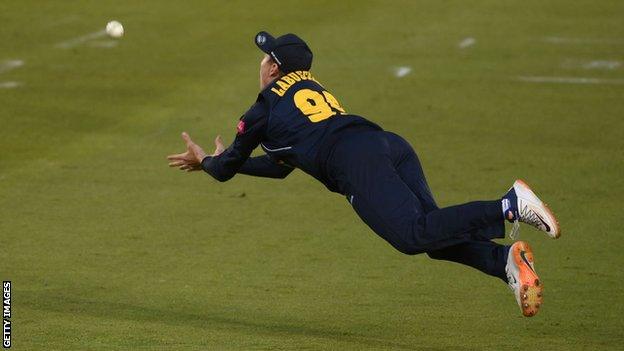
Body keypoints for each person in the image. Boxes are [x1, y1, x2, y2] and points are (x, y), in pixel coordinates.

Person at [167, 31, 561, 317]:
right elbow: (281, 166)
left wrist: (206, 161)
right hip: (387, 144)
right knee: (434, 234)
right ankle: (503, 261)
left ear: (273, 66)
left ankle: (509, 204)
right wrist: (227, 163)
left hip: (354, 162)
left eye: (264, 57)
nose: (262, 63)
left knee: (411, 237)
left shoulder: (263, 108)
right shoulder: (311, 91)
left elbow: (225, 169)